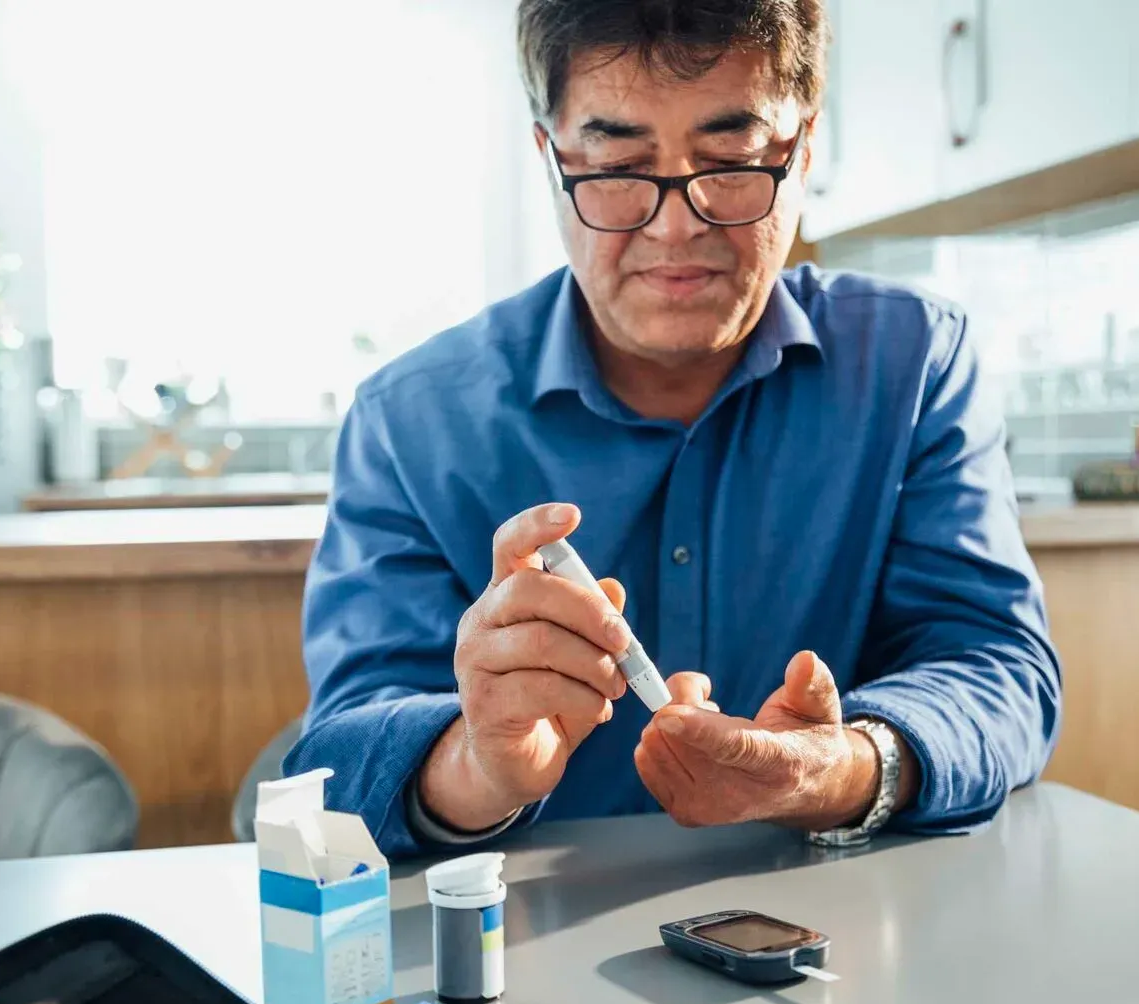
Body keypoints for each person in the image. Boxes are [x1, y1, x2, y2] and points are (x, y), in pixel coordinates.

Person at [284, 0, 1061, 859]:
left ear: (804, 151)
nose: (677, 223)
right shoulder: (409, 420)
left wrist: (839, 768)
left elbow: (998, 670)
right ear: (551, 159)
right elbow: (338, 760)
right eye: (619, 166)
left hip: (839, 912)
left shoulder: (913, 363)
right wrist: (475, 765)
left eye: (731, 161)